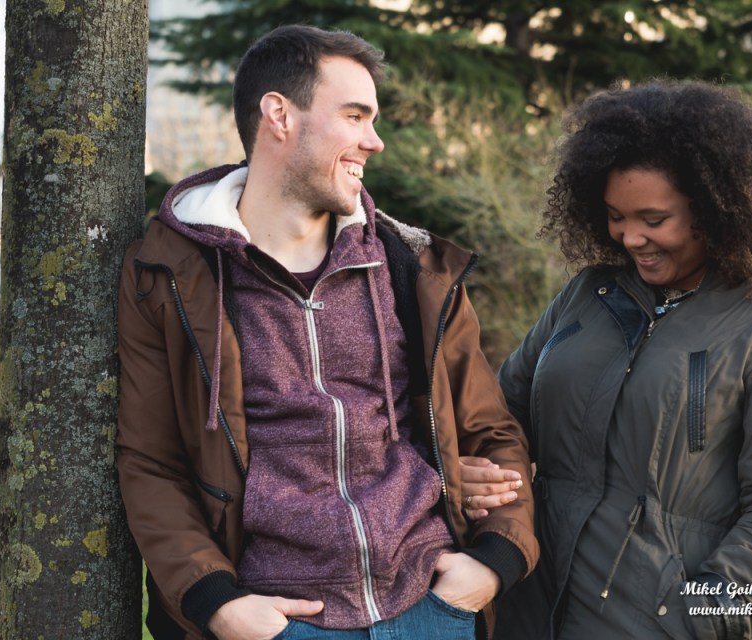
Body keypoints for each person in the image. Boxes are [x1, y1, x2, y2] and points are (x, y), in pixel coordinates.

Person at [116, 24, 538, 640]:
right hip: (273, 619)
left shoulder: (413, 268)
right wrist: (217, 604)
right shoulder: (172, 277)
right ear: (279, 114)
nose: (376, 140)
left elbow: (489, 432)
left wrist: (493, 563)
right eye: (355, 115)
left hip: (431, 607)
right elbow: (151, 460)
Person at [462, 79, 752, 639]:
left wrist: (699, 621)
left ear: (714, 210)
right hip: (526, 614)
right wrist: (477, 474)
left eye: (653, 219)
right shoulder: (586, 294)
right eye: (616, 216)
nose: (630, 237)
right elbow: (500, 416)